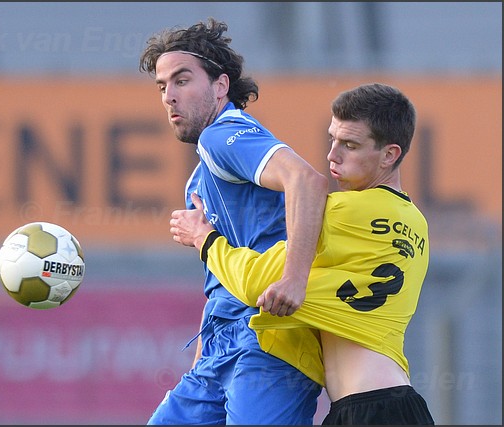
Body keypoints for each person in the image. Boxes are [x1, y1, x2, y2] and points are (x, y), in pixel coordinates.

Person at [170, 83, 435, 425]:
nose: (332, 156)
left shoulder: (337, 213)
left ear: (389, 155)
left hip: (366, 407)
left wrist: (204, 238)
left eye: (350, 146)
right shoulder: (417, 223)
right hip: (397, 401)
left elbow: (257, 284)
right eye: (333, 140)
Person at [139, 17, 329, 425]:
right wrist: (203, 355)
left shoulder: (223, 134)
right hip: (221, 347)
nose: (168, 97)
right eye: (162, 86)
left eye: (182, 80)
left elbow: (307, 181)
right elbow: (221, 280)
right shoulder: (200, 175)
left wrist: (294, 279)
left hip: (268, 337)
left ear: (221, 85)